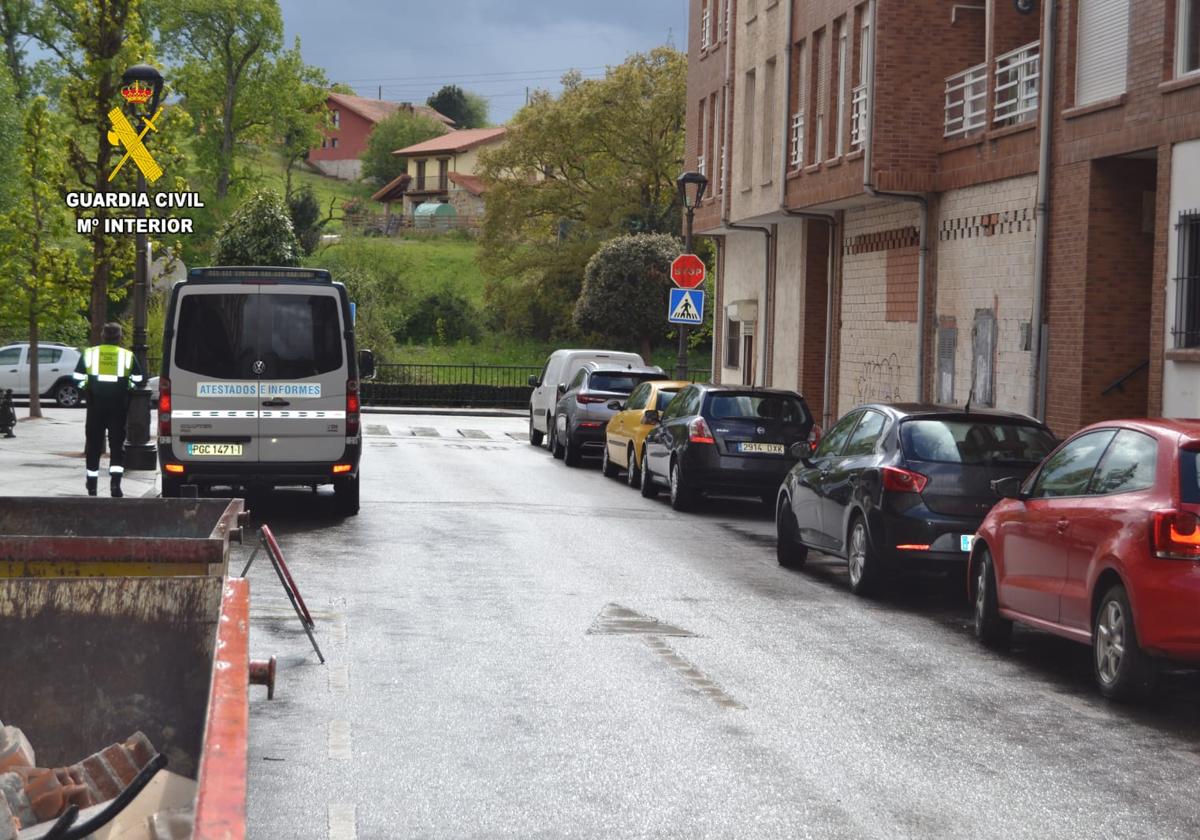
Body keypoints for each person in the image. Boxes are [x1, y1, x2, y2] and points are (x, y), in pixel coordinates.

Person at [73, 323, 143, 497]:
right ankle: (115, 485)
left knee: (94, 446)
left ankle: (92, 485)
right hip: (118, 406)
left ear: (103, 336)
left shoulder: (90, 353)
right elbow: (139, 378)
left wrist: (86, 388)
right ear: (120, 337)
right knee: (117, 447)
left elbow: (77, 377)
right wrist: (128, 386)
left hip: (95, 405)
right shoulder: (127, 355)